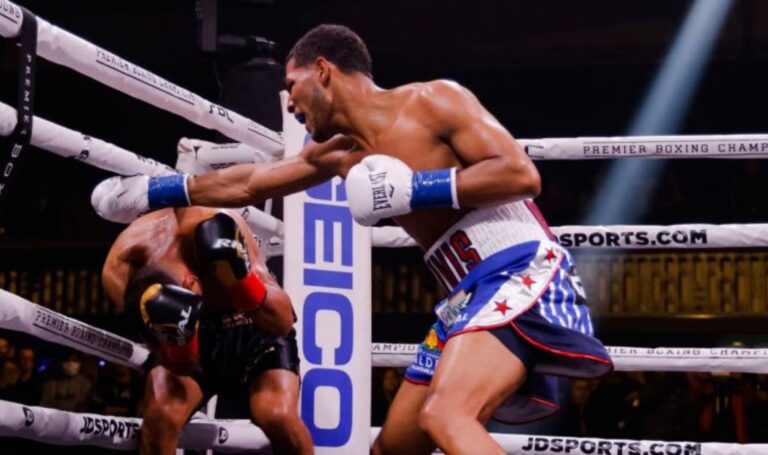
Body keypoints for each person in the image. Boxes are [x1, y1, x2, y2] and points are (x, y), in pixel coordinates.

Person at [92, 24, 612, 455]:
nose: (289, 103)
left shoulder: (433, 101)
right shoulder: (339, 153)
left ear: (323, 71)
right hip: (463, 294)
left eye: (292, 86)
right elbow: (246, 182)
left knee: (447, 415)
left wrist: (416, 188)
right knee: (391, 450)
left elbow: (522, 176)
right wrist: (152, 190)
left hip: (516, 264)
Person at [101, 207, 313, 455]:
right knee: (161, 416)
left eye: (188, 283)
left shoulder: (215, 224)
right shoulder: (120, 270)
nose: (190, 283)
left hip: (254, 328)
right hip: (196, 340)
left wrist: (241, 282)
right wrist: (180, 335)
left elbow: (282, 321)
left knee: (277, 416)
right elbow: (177, 363)